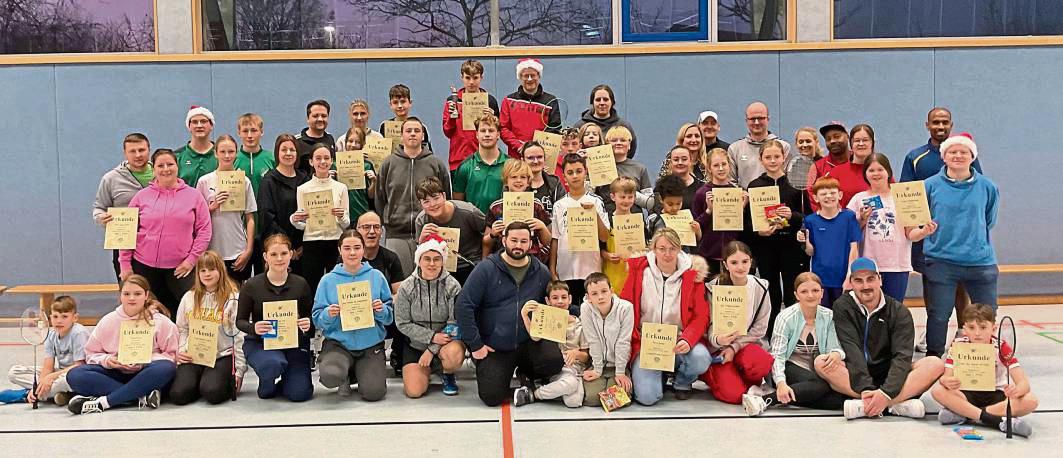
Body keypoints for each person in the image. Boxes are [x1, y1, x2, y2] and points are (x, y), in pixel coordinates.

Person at [901, 108, 983, 350]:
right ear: (927, 125)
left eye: (944, 122)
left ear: (951, 124)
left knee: (960, 282)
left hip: (961, 235)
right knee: (931, 281)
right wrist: (917, 227)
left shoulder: (966, 154)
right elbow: (908, 194)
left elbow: (978, 190)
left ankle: (962, 330)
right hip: (928, 235)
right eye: (935, 122)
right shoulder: (915, 157)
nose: (940, 126)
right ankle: (932, 330)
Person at [456, 221, 562, 407]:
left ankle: (525, 373)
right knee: (491, 397)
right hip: (496, 346)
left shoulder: (541, 272)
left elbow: (553, 304)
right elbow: (463, 306)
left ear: (530, 243)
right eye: (513, 240)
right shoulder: (485, 269)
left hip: (528, 342)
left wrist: (575, 314)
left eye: (523, 241)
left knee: (553, 361)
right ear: (504, 240)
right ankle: (498, 371)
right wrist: (476, 345)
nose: (518, 245)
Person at [833, 258, 944, 420]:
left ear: (880, 280)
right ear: (851, 283)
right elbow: (851, 349)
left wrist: (886, 393)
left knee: (935, 364)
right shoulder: (842, 306)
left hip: (890, 373)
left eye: (871, 279)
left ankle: (871, 405)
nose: (865, 286)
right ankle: (895, 405)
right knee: (823, 363)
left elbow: (902, 357)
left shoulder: (899, 311)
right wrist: (865, 387)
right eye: (859, 281)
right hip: (856, 374)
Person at [922, 133, 1000, 358]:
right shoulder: (929, 186)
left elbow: (989, 220)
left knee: (986, 315)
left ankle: (985, 358)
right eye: (952, 152)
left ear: (972, 156)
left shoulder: (988, 187)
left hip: (980, 263)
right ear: (943, 157)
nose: (958, 155)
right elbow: (919, 220)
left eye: (963, 152)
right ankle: (934, 359)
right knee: (938, 315)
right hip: (941, 261)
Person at [622, 228, 711, 405]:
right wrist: (635, 341)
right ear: (653, 249)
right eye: (662, 249)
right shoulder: (638, 270)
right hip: (647, 344)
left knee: (701, 358)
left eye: (672, 248)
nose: (667, 254)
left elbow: (701, 316)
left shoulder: (693, 275)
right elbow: (625, 307)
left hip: (678, 342)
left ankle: (682, 382)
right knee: (647, 397)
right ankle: (658, 376)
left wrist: (687, 339)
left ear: (680, 249)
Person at [66, 275, 178, 414]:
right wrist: (109, 360)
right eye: (126, 294)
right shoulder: (108, 321)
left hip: (146, 373)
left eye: (137, 294)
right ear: (120, 296)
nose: (132, 298)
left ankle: (105, 402)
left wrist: (146, 360)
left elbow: (172, 355)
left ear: (146, 295)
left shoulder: (161, 321)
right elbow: (91, 353)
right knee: (75, 375)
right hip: (116, 373)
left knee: (166, 368)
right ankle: (140, 395)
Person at [742, 272, 850, 416]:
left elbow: (835, 348)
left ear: (822, 293)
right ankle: (766, 400)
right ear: (796, 295)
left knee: (836, 400)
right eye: (804, 291)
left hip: (817, 369)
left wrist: (837, 353)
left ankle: (769, 395)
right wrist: (780, 383)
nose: (810, 295)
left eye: (815, 290)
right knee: (821, 386)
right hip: (788, 366)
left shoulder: (829, 316)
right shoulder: (786, 317)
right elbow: (777, 356)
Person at [119, 148, 212, 313]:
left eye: (170, 164)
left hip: (181, 269)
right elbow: (126, 232)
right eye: (160, 165)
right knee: (147, 314)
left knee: (188, 312)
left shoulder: (194, 196)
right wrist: (125, 265)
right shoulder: (141, 197)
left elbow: (204, 230)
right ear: (153, 169)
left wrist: (191, 260)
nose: (166, 169)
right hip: (144, 267)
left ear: (178, 166)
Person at [931, 303, 1038, 437]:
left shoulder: (1001, 347)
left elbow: (1024, 383)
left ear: (993, 328)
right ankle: (996, 420)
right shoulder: (958, 345)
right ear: (964, 329)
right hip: (966, 394)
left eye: (983, 327)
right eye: (971, 327)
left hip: (996, 395)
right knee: (937, 391)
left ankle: (965, 413)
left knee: (1031, 400)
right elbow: (945, 378)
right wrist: (947, 381)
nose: (977, 333)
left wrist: (1016, 391)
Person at [312, 230, 394, 401]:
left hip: (370, 344)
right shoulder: (327, 280)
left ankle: (360, 372)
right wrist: (328, 314)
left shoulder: (376, 277)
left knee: (374, 393)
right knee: (330, 375)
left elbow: (389, 317)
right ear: (339, 250)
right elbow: (317, 318)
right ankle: (344, 375)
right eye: (347, 248)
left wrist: (381, 311)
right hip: (339, 344)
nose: (352, 252)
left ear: (363, 250)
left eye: (357, 248)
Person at [846, 153, 937, 303]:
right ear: (865, 174)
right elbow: (849, 233)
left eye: (880, 169)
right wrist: (862, 219)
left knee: (894, 310)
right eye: (871, 170)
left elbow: (911, 233)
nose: (876, 174)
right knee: (869, 309)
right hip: (868, 265)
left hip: (897, 265)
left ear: (888, 172)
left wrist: (923, 231)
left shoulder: (902, 196)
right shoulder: (858, 199)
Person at [236, 234, 315, 402]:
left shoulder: (301, 284)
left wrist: (308, 323)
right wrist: (254, 327)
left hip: (293, 343)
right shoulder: (252, 285)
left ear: (291, 254)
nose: (279, 259)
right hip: (261, 343)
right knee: (272, 364)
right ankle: (267, 381)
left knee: (300, 394)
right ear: (265, 256)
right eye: (273, 254)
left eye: (284, 253)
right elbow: (240, 321)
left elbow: (310, 318)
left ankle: (287, 381)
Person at [375, 117, 452, 277]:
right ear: (401, 136)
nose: (412, 134)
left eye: (417, 131)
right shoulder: (388, 164)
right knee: (400, 281)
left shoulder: (435, 163)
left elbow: (446, 197)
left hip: (430, 233)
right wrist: (388, 221)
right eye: (408, 131)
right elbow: (380, 197)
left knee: (429, 279)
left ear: (423, 136)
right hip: (397, 234)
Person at [169, 251, 246, 405]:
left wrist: (239, 370)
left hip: (221, 355)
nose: (207, 274)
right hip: (194, 355)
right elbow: (182, 329)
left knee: (212, 393)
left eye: (211, 269)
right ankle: (199, 380)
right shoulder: (188, 297)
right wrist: (182, 350)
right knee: (179, 394)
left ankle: (210, 380)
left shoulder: (234, 299)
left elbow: (239, 336)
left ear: (221, 270)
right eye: (202, 270)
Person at [745, 139, 806, 333]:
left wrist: (792, 215)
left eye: (776, 156)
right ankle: (771, 332)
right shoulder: (754, 186)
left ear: (784, 158)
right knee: (771, 291)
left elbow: (807, 217)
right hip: (766, 247)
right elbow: (747, 222)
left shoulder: (795, 185)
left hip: (790, 246)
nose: (773, 160)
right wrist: (758, 231)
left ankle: (793, 331)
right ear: (761, 159)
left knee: (791, 290)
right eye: (768, 157)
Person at [702, 241, 773, 404]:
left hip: (745, 345)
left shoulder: (761, 287)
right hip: (719, 349)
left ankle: (742, 374)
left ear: (751, 262)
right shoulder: (713, 288)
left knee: (761, 363)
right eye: (734, 262)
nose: (740, 267)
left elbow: (760, 328)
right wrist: (718, 340)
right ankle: (709, 373)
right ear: (725, 264)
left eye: (745, 261)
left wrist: (734, 347)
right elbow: (709, 324)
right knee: (734, 395)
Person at [394, 236, 465, 398]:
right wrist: (431, 337)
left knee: (453, 355)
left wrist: (432, 350)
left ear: (443, 261)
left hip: (446, 343)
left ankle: (447, 372)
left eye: (436, 259)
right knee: (414, 391)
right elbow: (402, 323)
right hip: (416, 345)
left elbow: (455, 324)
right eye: (427, 259)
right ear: (419, 260)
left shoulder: (452, 286)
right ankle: (429, 369)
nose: (432, 264)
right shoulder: (406, 287)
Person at [513, 281, 589, 408]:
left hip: (576, 369)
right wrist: (525, 315)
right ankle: (533, 394)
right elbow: (535, 337)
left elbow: (585, 356)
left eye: (564, 297)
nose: (560, 301)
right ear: (548, 301)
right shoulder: (546, 318)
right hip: (558, 370)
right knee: (571, 385)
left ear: (570, 299)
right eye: (555, 298)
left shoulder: (580, 323)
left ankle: (544, 389)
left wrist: (575, 353)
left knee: (574, 402)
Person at [550, 154, 611, 309]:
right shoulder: (559, 205)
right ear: (564, 176)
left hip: (590, 270)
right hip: (565, 270)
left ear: (586, 172)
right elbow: (555, 239)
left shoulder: (596, 202)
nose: (575, 176)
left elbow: (604, 236)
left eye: (579, 171)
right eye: (570, 173)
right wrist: (552, 270)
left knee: (590, 313)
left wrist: (594, 215)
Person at [3, 296, 88, 406]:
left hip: (77, 375)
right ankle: (56, 394)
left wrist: (50, 378)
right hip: (60, 373)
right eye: (55, 316)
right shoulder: (51, 335)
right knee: (14, 372)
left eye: (64, 316)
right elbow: (48, 367)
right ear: (50, 318)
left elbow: (80, 366)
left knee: (63, 381)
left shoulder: (78, 333)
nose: (59, 321)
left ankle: (27, 394)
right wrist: (43, 381)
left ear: (75, 318)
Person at [196, 135, 257, 283]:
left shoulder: (244, 181)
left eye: (231, 151)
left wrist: (248, 250)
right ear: (216, 153)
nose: (227, 155)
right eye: (223, 152)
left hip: (237, 251)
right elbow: (197, 218)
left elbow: (250, 218)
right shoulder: (204, 181)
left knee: (238, 296)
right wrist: (212, 206)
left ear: (236, 153)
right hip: (212, 251)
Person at [93, 133, 154, 280]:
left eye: (141, 150)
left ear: (149, 150)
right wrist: (101, 218)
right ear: (125, 153)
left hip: (157, 244)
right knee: (131, 294)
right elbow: (99, 207)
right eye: (132, 151)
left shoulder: (161, 174)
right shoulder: (111, 179)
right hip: (125, 244)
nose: (138, 155)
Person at [291, 144, 350, 291]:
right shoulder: (302, 189)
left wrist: (341, 217)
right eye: (318, 158)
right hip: (312, 244)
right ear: (311, 162)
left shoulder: (341, 188)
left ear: (331, 161)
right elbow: (304, 225)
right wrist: (295, 220)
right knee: (312, 287)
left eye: (326, 158)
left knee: (336, 286)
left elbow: (346, 224)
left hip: (335, 242)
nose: (322, 162)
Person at [798, 177, 861, 307]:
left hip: (843, 279)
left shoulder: (849, 217)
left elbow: (854, 249)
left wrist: (850, 276)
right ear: (816, 198)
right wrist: (806, 242)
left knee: (843, 318)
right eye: (823, 194)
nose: (828, 196)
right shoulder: (810, 221)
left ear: (840, 195)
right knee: (823, 318)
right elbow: (811, 252)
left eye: (832, 192)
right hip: (820, 280)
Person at [415, 177, 486, 285]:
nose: (433, 204)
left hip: (470, 264)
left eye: (436, 198)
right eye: (426, 201)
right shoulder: (422, 220)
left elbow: (489, 232)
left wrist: (484, 263)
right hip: (440, 268)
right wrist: (422, 241)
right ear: (420, 204)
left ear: (444, 196)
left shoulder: (468, 212)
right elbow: (421, 257)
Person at [257, 134, 310, 274]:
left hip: (303, 250)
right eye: (284, 149)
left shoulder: (305, 179)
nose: (288, 153)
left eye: (292, 150)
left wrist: (303, 245)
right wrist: (288, 248)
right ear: (277, 153)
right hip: (279, 250)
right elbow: (267, 218)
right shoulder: (268, 181)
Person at [484, 160, 553, 266]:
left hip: (531, 259)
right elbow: (486, 242)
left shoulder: (536, 205)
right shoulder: (496, 207)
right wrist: (493, 234)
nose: (518, 180)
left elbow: (548, 242)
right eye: (514, 177)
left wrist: (542, 227)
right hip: (502, 260)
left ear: (528, 182)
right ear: (506, 181)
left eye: (523, 177)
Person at [579, 274, 634, 406]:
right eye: (594, 293)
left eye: (604, 291)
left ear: (612, 291)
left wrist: (620, 372)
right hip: (598, 364)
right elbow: (593, 340)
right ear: (588, 297)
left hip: (618, 364)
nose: (601, 297)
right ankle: (602, 381)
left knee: (620, 399)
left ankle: (622, 379)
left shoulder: (626, 308)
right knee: (592, 400)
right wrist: (597, 369)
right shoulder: (586, 308)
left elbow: (623, 341)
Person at [693, 148, 745, 276]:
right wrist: (709, 211)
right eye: (716, 165)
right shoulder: (702, 193)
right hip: (708, 254)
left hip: (732, 256)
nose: (721, 168)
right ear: (709, 168)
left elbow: (742, 228)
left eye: (724, 164)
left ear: (729, 165)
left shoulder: (737, 192)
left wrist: (742, 208)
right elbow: (695, 226)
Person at [443, 59, 500, 171]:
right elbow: (447, 132)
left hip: (484, 158)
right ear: (462, 78)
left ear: (481, 78)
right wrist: (451, 118)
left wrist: (493, 119)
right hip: (458, 159)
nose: (471, 82)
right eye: (468, 78)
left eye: (475, 78)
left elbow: (498, 132)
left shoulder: (490, 100)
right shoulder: (452, 101)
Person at [235, 113, 275, 275]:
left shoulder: (271, 158)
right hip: (240, 229)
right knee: (239, 277)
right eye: (245, 131)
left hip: (265, 228)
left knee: (264, 276)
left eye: (254, 130)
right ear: (239, 133)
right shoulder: (233, 159)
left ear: (261, 132)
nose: (250, 135)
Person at [500, 58, 560, 155]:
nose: (529, 79)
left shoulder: (551, 101)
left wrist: (536, 149)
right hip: (516, 156)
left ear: (539, 76)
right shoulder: (508, 100)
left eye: (532, 75)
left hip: (541, 156)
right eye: (525, 76)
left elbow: (554, 129)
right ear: (520, 77)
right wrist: (519, 146)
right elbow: (503, 128)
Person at [453, 114, 509, 213]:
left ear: (498, 135)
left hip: (502, 224)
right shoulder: (465, 167)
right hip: (473, 225)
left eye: (491, 130)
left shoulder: (511, 165)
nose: (487, 134)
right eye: (483, 131)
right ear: (477, 135)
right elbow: (458, 204)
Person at [728, 102, 791, 188]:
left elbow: (788, 180)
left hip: (777, 199)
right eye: (752, 119)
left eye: (760, 118)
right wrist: (745, 197)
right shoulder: (735, 149)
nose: (756, 122)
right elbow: (730, 181)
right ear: (746, 121)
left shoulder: (784, 147)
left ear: (768, 119)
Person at [594, 126, 652, 214]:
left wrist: (628, 193)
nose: (618, 143)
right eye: (614, 140)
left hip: (634, 221)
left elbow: (650, 203)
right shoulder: (598, 166)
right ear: (606, 144)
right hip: (607, 219)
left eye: (623, 140)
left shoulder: (639, 168)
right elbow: (590, 196)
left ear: (629, 145)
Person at [573, 84, 638, 158]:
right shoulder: (580, 126)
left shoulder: (623, 125)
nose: (602, 103)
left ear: (612, 102)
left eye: (606, 99)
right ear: (592, 103)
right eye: (598, 100)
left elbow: (631, 149)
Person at [600, 177, 640, 295]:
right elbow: (600, 247)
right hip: (611, 274)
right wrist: (607, 255)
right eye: (622, 197)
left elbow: (645, 248)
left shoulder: (639, 221)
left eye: (630, 197)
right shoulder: (607, 221)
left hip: (632, 276)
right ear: (613, 197)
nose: (626, 201)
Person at [824, 124, 875, 209]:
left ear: (872, 143)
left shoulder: (882, 171)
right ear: (851, 144)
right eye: (857, 140)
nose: (861, 144)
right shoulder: (836, 173)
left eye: (865, 140)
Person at [645, 175, 702, 252]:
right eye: (670, 204)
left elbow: (697, 239)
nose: (675, 208)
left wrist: (698, 230)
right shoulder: (654, 219)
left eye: (678, 203)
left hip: (684, 258)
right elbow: (647, 242)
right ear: (661, 199)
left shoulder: (687, 217)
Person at [338, 126, 379, 225]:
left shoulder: (367, 165)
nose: (353, 145)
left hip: (361, 212)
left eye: (357, 142)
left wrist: (374, 181)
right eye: (350, 141)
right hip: (341, 215)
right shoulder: (336, 164)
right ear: (345, 142)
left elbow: (370, 195)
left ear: (363, 144)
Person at [806, 121, 850, 210]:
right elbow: (812, 195)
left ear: (847, 136)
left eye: (837, 136)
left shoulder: (859, 161)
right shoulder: (817, 167)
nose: (832, 141)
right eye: (828, 139)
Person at [356, 212, 404, 293]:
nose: (371, 231)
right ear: (358, 231)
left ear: (382, 231)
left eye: (376, 227)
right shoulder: (348, 258)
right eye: (366, 227)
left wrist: (385, 304)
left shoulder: (391, 258)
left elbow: (399, 295)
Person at [380, 84, 433, 151]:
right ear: (390, 105)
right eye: (395, 102)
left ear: (410, 102)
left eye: (403, 101)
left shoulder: (420, 127)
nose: (399, 106)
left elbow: (427, 153)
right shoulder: (384, 126)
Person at [175, 106, 217, 189]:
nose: (199, 125)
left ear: (211, 125)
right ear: (189, 126)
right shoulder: (177, 156)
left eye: (203, 121)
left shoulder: (222, 154)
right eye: (194, 122)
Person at [521, 141, 565, 216]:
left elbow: (564, 212)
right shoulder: (514, 183)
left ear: (545, 159)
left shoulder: (555, 183)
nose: (535, 161)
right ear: (523, 160)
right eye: (530, 158)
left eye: (539, 157)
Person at [295, 99, 337, 174]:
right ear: (308, 118)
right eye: (315, 116)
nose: (320, 119)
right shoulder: (297, 142)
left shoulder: (330, 139)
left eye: (324, 116)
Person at [785, 127, 822, 213]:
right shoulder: (792, 167)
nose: (804, 145)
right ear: (796, 144)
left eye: (808, 141)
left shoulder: (823, 164)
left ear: (816, 142)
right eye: (801, 142)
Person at [662, 145, 702, 210]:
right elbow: (655, 213)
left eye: (684, 159)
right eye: (676, 160)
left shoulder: (702, 188)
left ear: (690, 161)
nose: (680, 163)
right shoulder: (661, 187)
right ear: (671, 163)